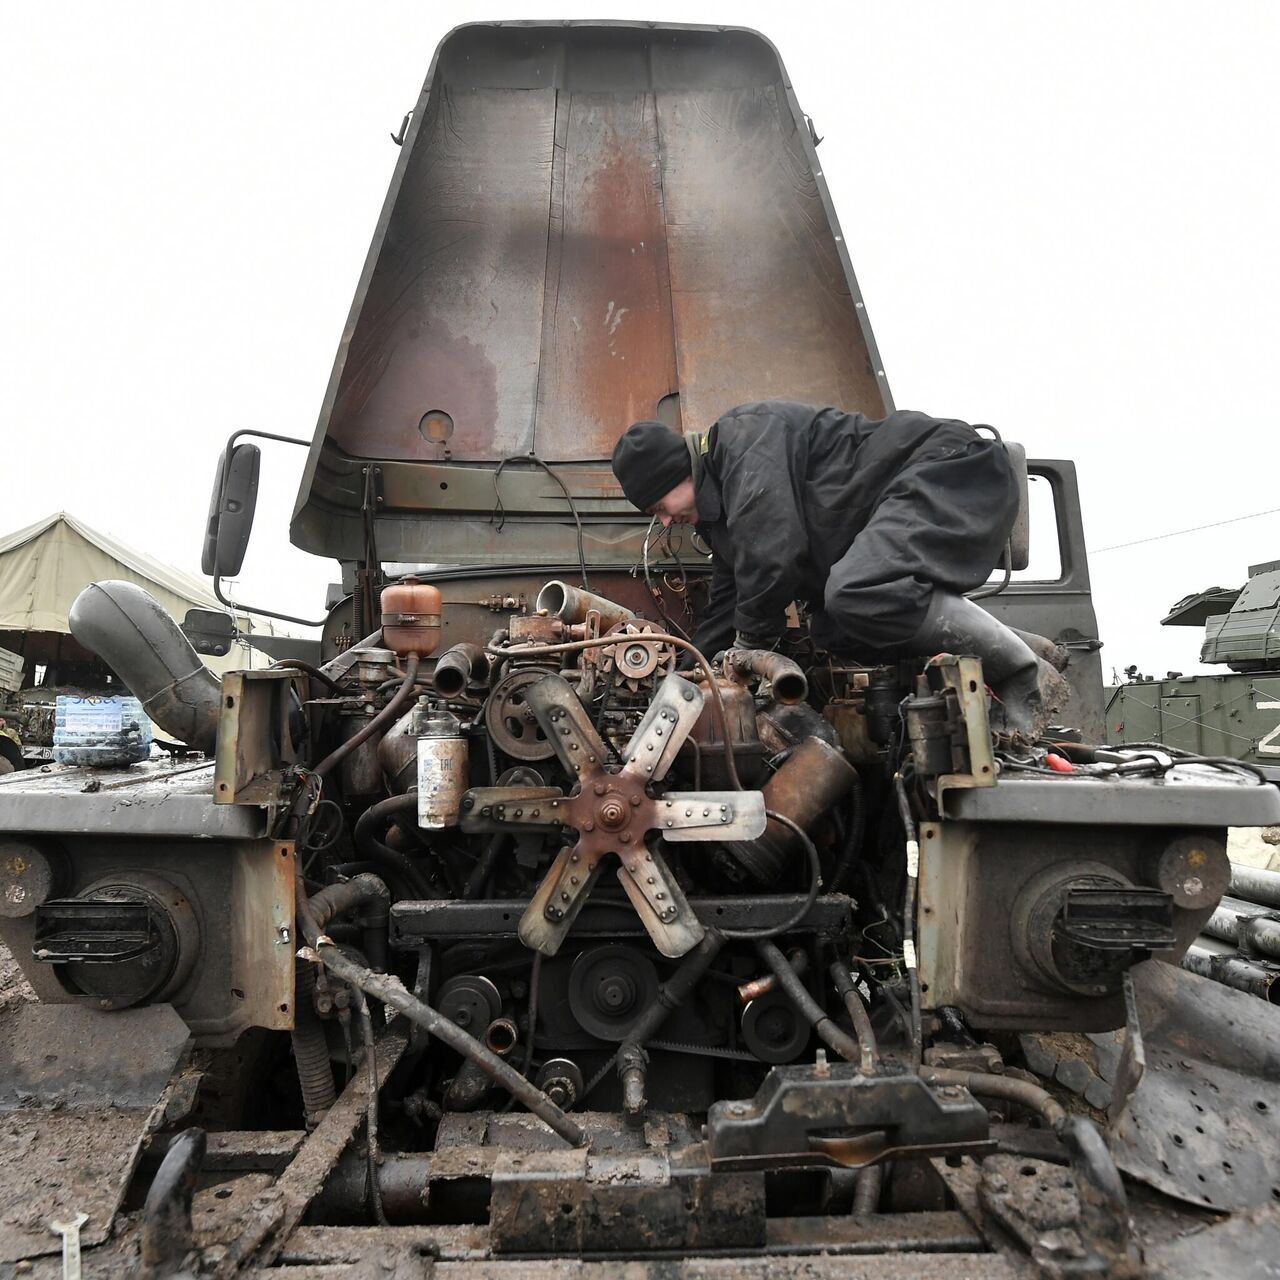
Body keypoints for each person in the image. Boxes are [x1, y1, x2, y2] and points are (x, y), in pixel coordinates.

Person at [610, 401, 1068, 739]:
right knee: (831, 626)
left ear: (679, 473)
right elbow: (729, 606)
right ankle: (1024, 647)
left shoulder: (743, 440)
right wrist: (684, 678)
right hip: (908, 494)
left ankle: (1024, 677)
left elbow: (773, 553)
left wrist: (750, 647)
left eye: (659, 505)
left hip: (942, 466)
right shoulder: (722, 520)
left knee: (856, 591)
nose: (665, 521)